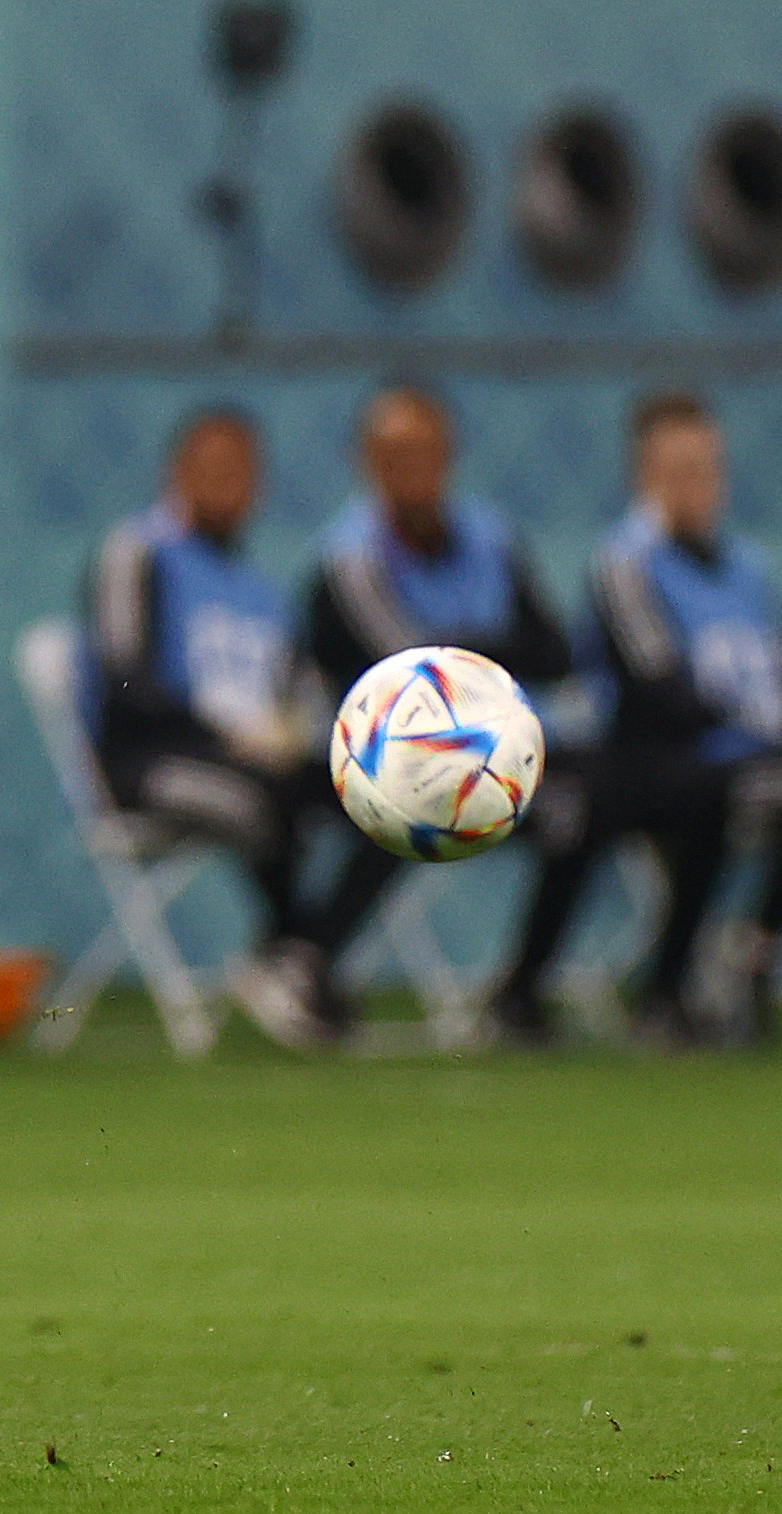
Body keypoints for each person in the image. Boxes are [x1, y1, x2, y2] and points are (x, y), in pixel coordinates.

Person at [236, 382, 571, 1042]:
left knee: (583, 806)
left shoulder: (492, 539)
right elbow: (412, 676)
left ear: (448, 456)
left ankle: (522, 990)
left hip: (498, 753)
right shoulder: (347, 558)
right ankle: (306, 960)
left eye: (426, 451)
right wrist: (489, 651)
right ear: (368, 462)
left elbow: (555, 650)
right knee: (407, 786)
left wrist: (466, 648)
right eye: (394, 453)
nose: (412, 467)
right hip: (365, 757)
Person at [490, 393, 782, 1047]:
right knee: (672, 799)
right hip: (633, 755)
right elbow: (659, 690)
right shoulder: (625, 561)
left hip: (731, 759)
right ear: (643, 477)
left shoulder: (744, 569)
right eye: (677, 468)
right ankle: (559, 991)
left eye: (706, 468)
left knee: (723, 793)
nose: (696, 484)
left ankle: (748, 956)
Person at [88, 409, 387, 998]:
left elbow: (297, 694)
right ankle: (297, 963)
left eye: (243, 472)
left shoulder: (263, 592)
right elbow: (128, 682)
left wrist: (296, 730)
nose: (231, 484)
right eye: (215, 468)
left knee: (381, 799)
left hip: (259, 760)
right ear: (178, 473)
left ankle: (304, 958)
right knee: (256, 802)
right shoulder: (138, 553)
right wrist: (232, 736)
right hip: (151, 761)